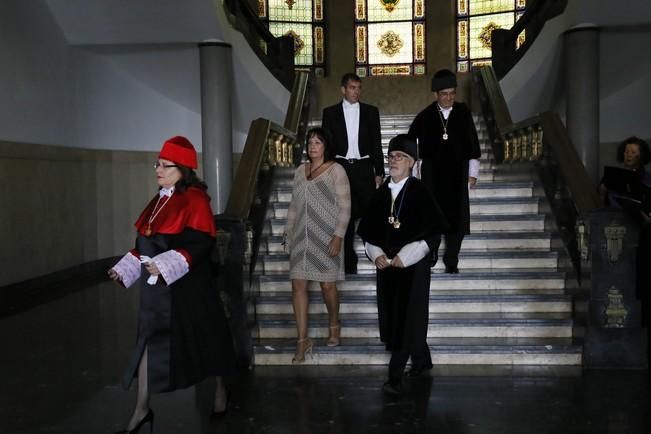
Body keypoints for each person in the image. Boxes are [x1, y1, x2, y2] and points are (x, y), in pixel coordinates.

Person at [108, 136, 235, 433]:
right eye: (158, 164)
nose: (158, 170)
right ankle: (141, 409)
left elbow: (201, 242)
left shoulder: (195, 200)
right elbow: (147, 241)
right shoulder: (158, 200)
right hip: (158, 291)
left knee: (207, 341)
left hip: (190, 289)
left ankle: (220, 391)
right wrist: (126, 267)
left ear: (184, 170)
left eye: (166, 165)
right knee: (149, 343)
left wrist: (166, 263)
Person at [357, 134, 448, 395]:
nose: (394, 161)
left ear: (411, 163)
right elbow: (367, 232)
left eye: (400, 157)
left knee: (409, 319)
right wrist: (376, 254)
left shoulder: (421, 191)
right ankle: (421, 359)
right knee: (397, 317)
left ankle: (394, 377)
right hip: (387, 268)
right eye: (391, 157)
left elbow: (433, 234)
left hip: (413, 266)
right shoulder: (380, 193)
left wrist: (407, 256)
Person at [284, 127, 351, 362]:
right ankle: (302, 341)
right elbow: (294, 206)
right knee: (298, 286)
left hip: (327, 237)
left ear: (325, 146)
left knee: (327, 287)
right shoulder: (300, 172)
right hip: (301, 239)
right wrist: (288, 235)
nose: (313, 146)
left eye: (318, 142)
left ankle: (334, 324)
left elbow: (345, 206)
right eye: (310, 142)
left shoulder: (336, 170)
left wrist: (338, 235)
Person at [408, 69, 481, 273]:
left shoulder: (463, 113)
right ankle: (431, 253)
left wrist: (472, 172)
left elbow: (472, 145)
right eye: (444, 94)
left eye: (452, 93)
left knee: (456, 221)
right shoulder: (424, 117)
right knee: (432, 218)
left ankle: (451, 260)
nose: (448, 98)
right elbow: (412, 148)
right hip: (432, 176)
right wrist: (414, 174)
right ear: (436, 95)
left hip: (458, 175)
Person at [322, 73, 384, 274]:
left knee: (369, 215)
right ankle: (349, 262)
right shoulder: (330, 113)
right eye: (352, 88)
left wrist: (379, 172)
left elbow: (376, 142)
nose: (356, 91)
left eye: (358, 88)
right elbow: (326, 145)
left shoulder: (371, 112)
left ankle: (376, 256)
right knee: (343, 216)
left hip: (364, 168)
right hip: (340, 168)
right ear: (343, 89)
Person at [599, 136, 651, 206]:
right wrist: (602, 193)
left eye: (633, 152)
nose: (629, 155)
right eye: (626, 152)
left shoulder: (648, 179)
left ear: (641, 156)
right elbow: (603, 201)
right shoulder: (612, 175)